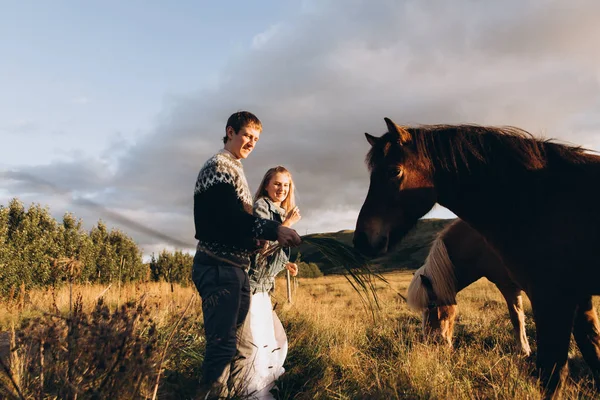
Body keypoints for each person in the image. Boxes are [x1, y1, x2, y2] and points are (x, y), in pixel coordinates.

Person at [192, 111, 302, 399]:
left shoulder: (234, 168)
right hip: (218, 267)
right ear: (230, 132)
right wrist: (274, 229)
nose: (251, 142)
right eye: (246, 135)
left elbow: (232, 225)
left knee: (236, 348)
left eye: (256, 138)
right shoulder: (219, 167)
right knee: (222, 347)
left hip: (234, 269)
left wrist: (258, 241)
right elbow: (227, 219)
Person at [240, 166, 302, 399]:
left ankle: (268, 389)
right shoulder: (261, 207)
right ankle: (253, 393)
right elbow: (260, 244)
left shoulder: (276, 209)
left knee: (275, 340)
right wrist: (287, 223)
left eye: (286, 185)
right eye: (277, 184)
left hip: (264, 286)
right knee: (259, 342)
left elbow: (270, 254)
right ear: (266, 185)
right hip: (253, 285)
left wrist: (285, 264)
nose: (282, 189)